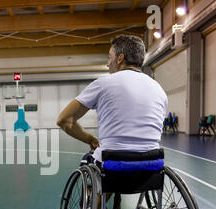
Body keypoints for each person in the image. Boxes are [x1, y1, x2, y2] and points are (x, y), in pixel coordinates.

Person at [57, 34, 167, 164]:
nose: (107, 63)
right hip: (152, 162)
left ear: (120, 58)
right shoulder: (159, 89)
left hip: (113, 163)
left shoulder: (103, 84)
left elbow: (64, 120)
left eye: (110, 57)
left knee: (86, 161)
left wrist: (90, 139)